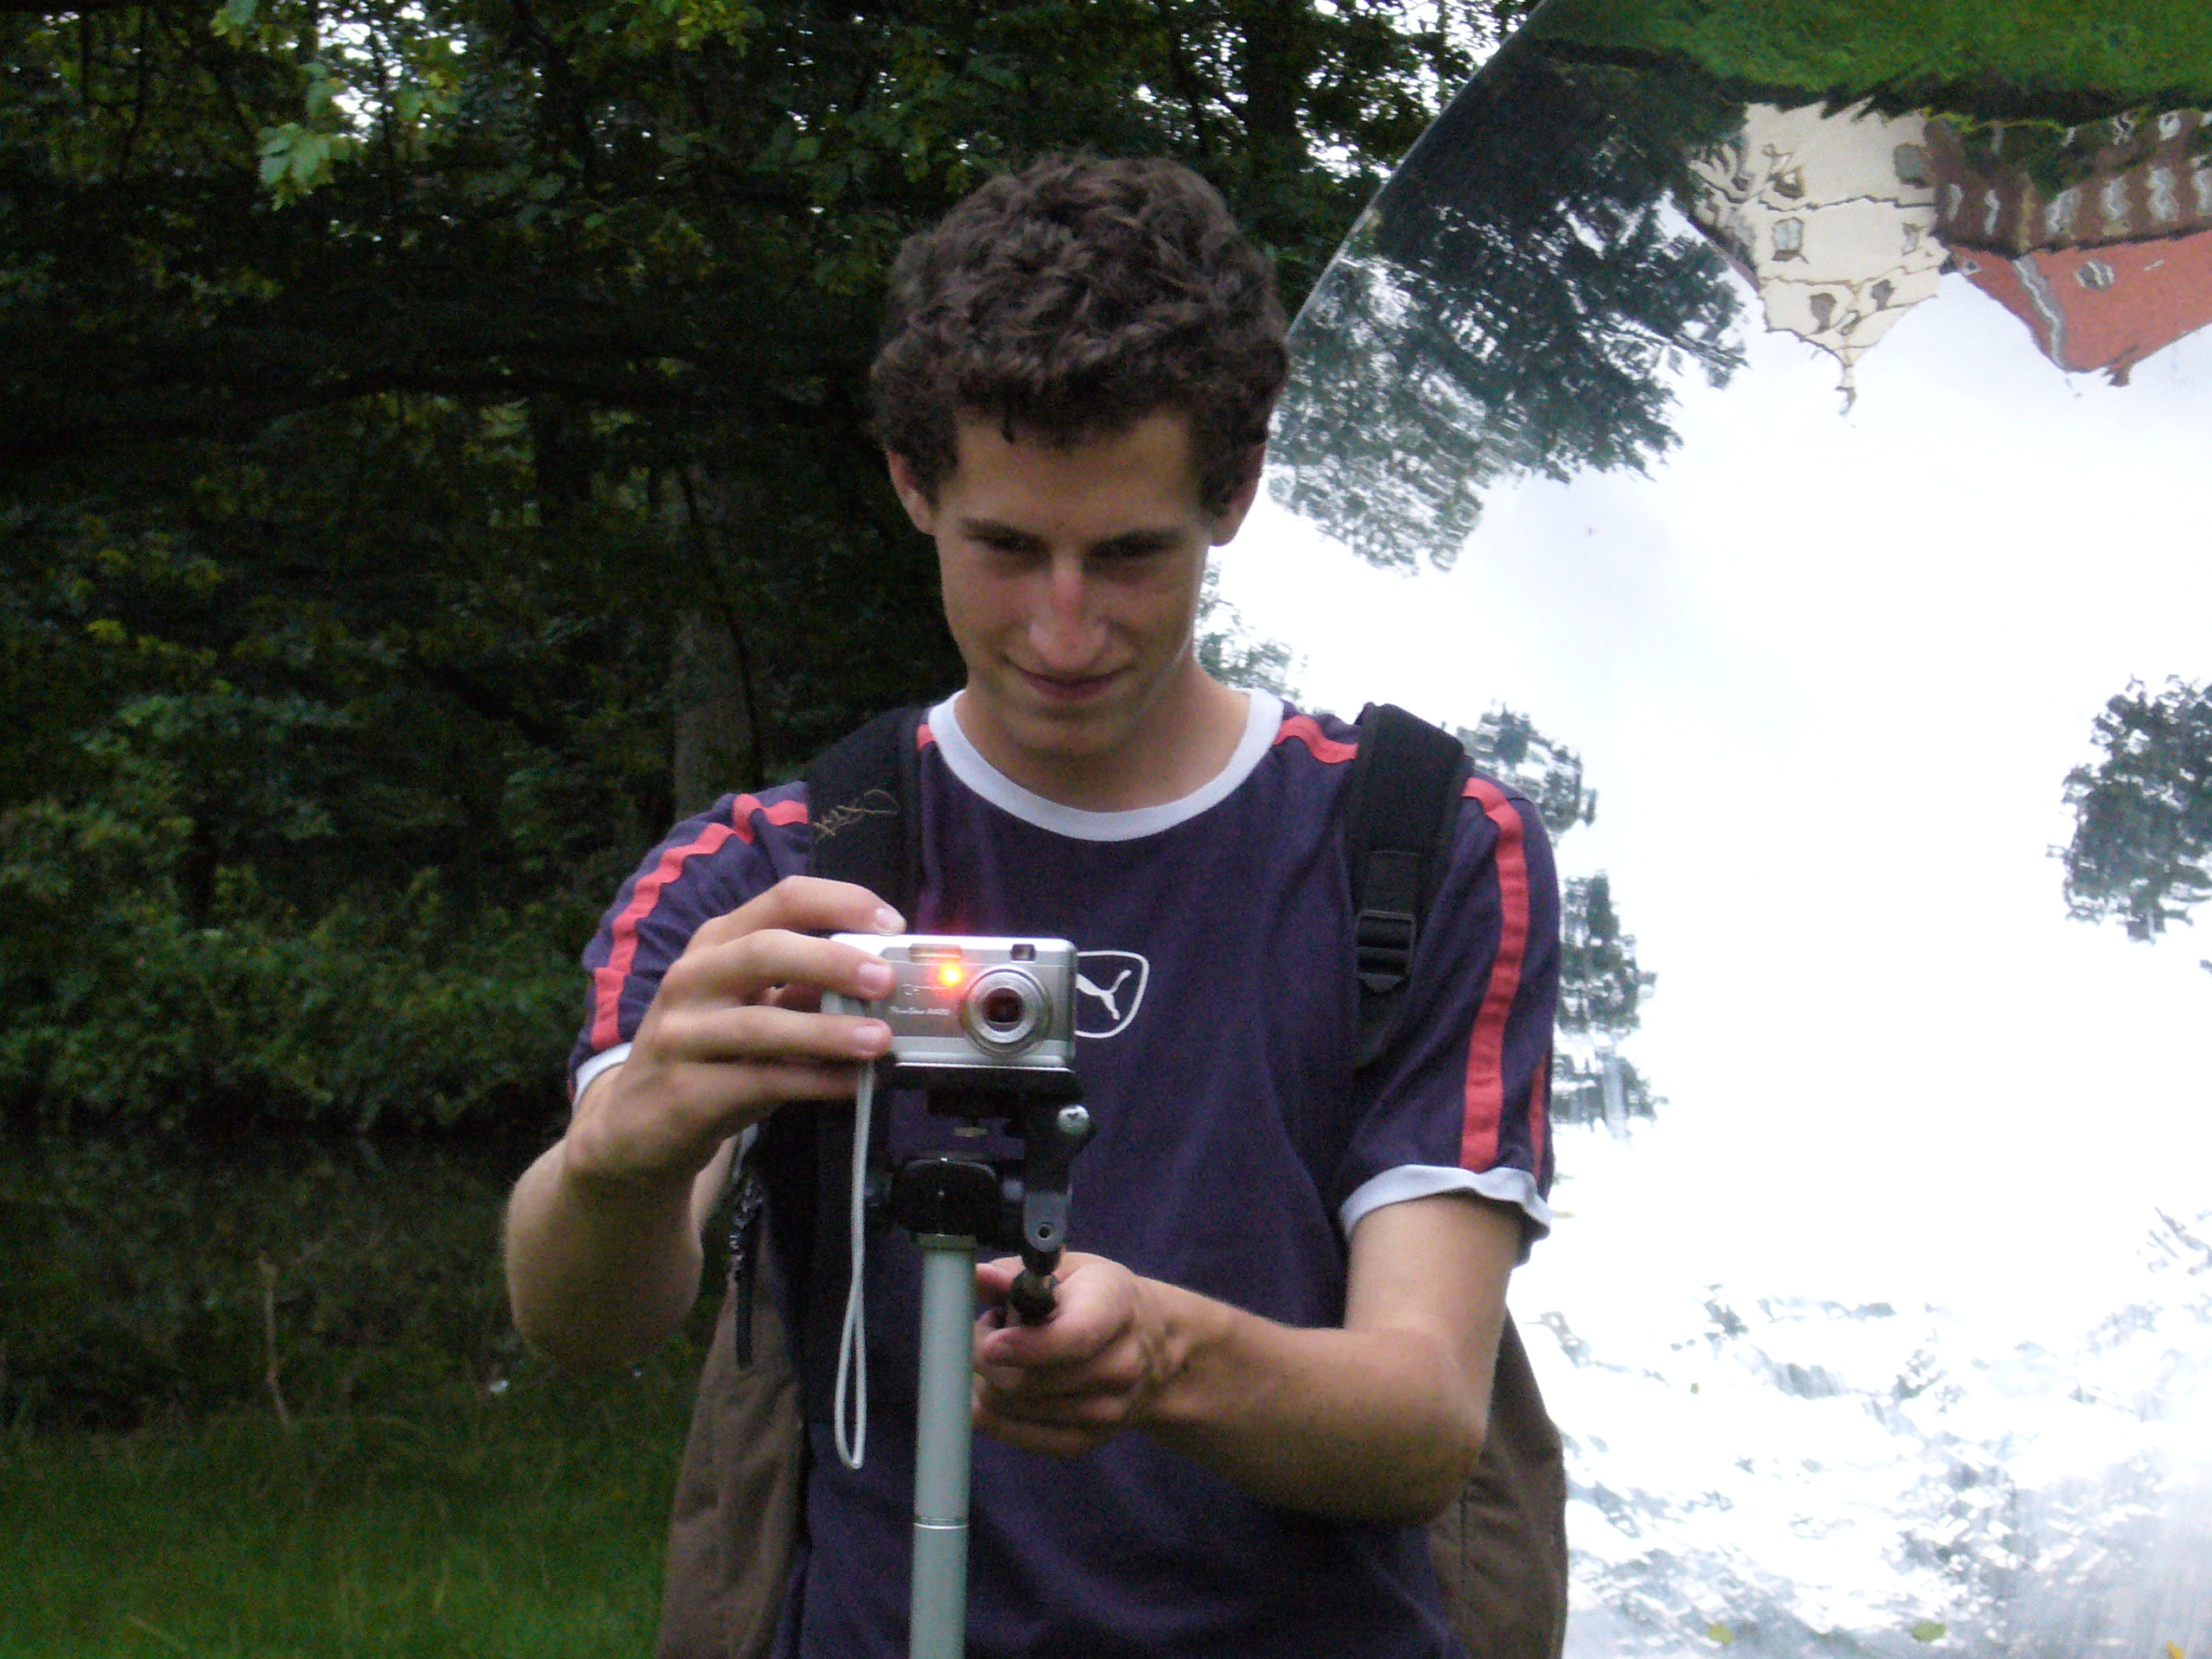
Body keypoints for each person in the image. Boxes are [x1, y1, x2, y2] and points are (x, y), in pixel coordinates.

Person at [503, 153, 1560, 1659]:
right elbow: (580, 1325)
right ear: (912, 484)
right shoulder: (762, 872)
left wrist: (1167, 1356)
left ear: (1235, 494)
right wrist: (620, 1157)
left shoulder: (1421, 849)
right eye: (1006, 548)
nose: (1066, 629)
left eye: (1129, 554)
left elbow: (1425, 1425)